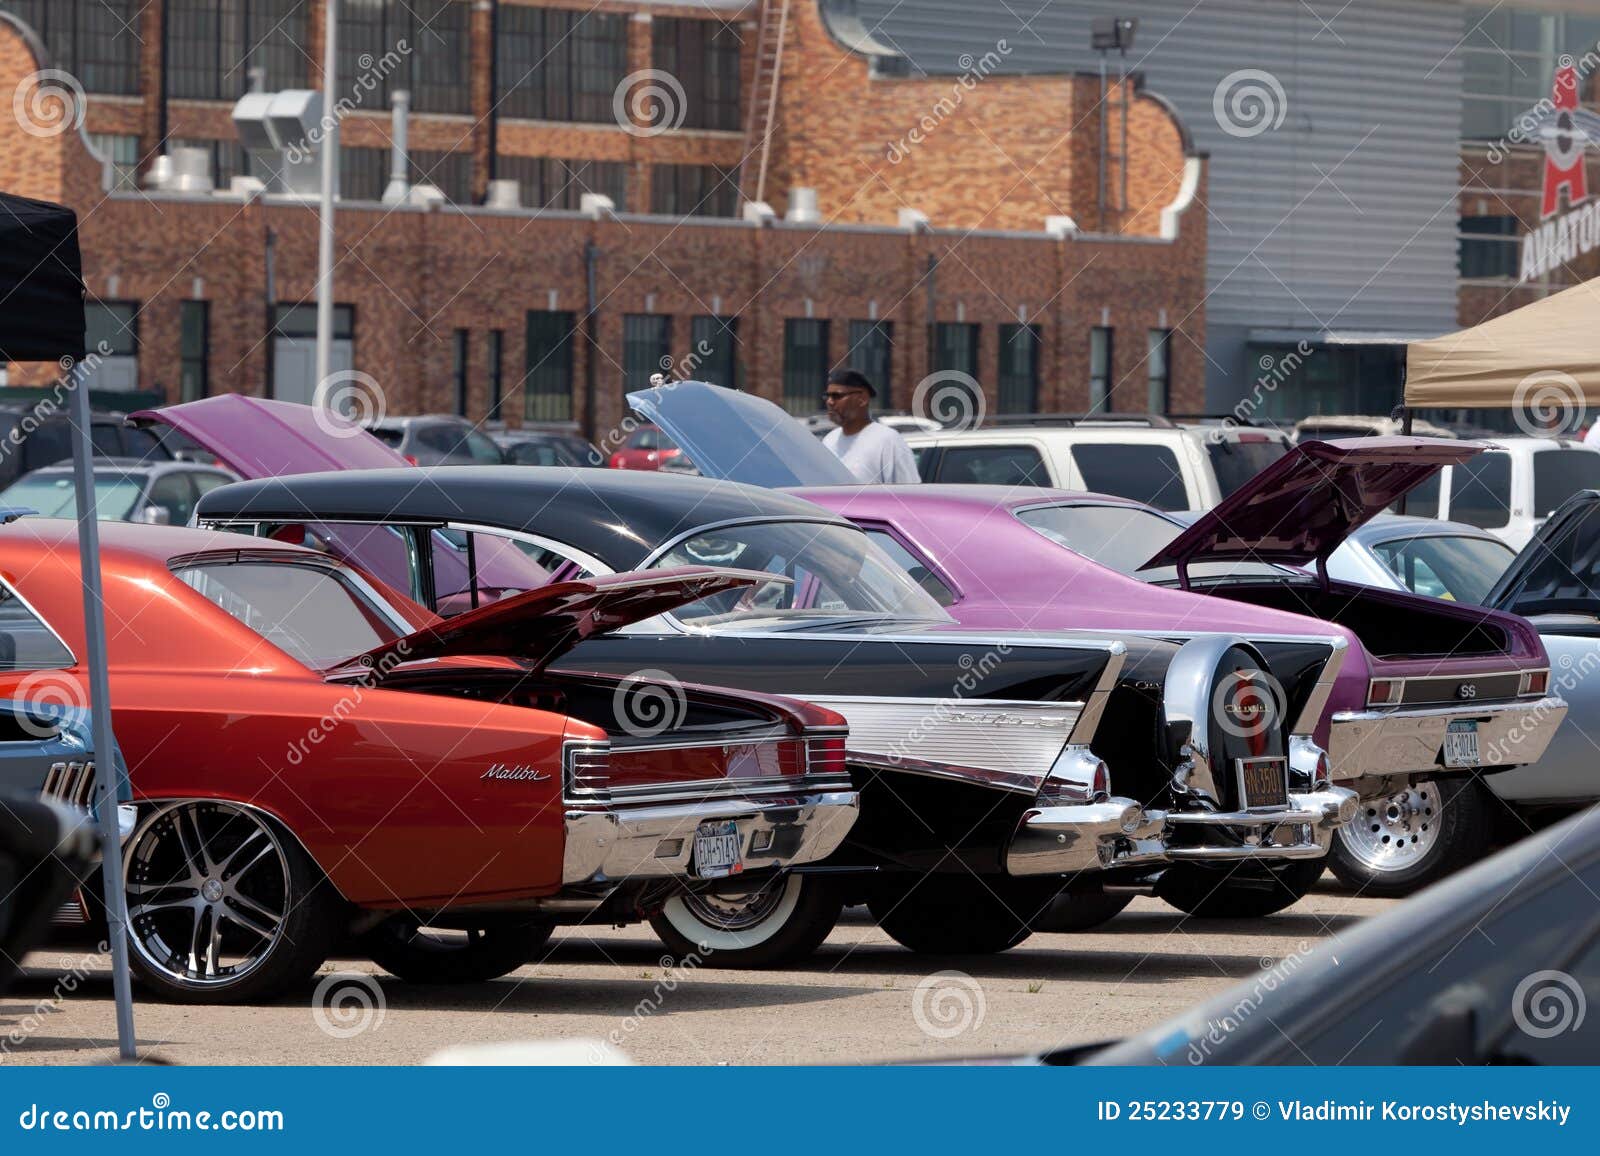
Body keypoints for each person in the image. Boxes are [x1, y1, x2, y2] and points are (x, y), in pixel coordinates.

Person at [820, 368, 920, 484]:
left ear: (862, 399)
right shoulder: (829, 440)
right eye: (827, 396)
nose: (829, 402)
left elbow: (908, 493)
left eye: (837, 396)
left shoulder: (888, 441)